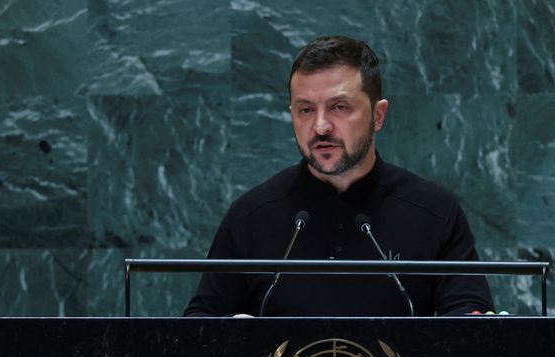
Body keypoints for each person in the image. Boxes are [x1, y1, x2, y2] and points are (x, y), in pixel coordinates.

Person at [184, 35, 494, 317]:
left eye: (339, 107)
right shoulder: (250, 217)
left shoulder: (435, 212)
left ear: (378, 115)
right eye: (305, 110)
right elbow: (198, 327)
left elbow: (468, 323)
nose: (320, 127)